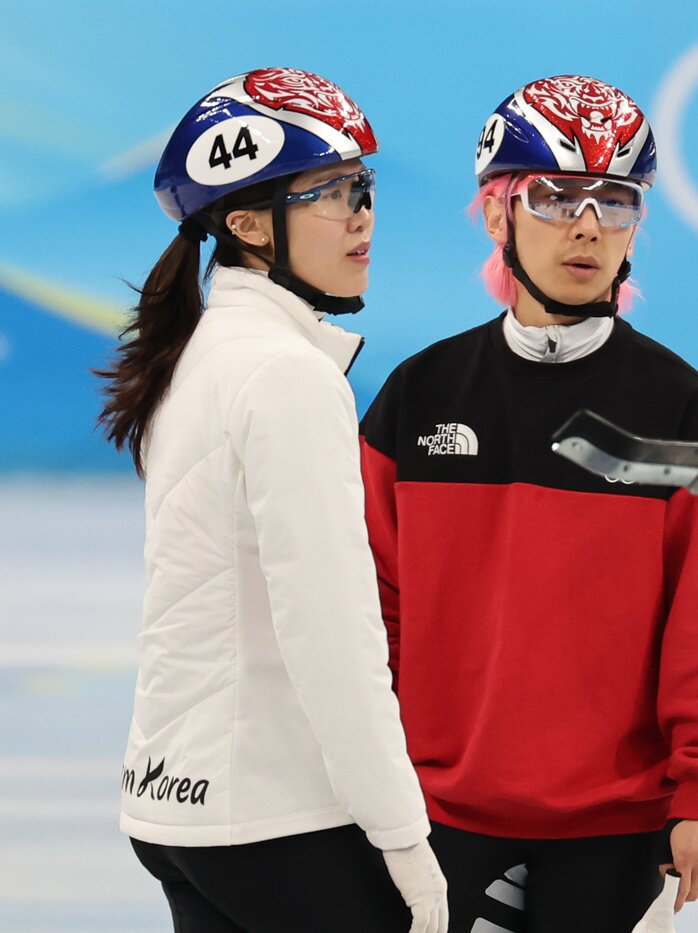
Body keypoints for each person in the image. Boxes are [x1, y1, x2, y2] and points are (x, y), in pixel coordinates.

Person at [358, 74, 698, 932]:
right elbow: (370, 607)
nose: (587, 225)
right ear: (498, 213)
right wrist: (373, 775)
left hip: (618, 828)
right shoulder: (418, 395)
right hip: (437, 816)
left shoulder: (683, 410)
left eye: (616, 200)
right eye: (556, 195)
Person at [96, 68, 448, 932]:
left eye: (364, 187)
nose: (362, 214)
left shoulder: (205, 350)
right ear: (247, 225)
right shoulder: (287, 375)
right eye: (330, 192)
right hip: (271, 817)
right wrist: (405, 837)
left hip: (177, 803)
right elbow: (331, 633)